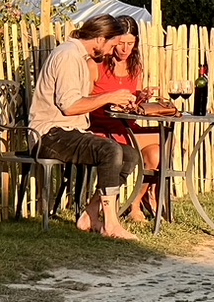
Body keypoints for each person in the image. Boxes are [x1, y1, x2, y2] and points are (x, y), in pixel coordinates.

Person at [28, 13, 140, 240]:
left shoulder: (77, 56)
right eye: (112, 45)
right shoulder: (68, 56)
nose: (111, 51)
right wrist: (109, 97)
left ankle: (90, 214)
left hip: (69, 131)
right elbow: (69, 107)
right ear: (100, 39)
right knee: (110, 150)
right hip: (49, 135)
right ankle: (111, 224)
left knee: (129, 154)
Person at [88, 15, 161, 222]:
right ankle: (142, 201)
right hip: (101, 125)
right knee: (162, 140)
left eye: (131, 43)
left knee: (157, 153)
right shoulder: (97, 65)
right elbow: (83, 101)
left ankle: (135, 203)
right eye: (121, 43)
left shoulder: (135, 66)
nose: (125, 49)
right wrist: (109, 102)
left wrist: (141, 98)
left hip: (127, 125)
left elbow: (132, 98)